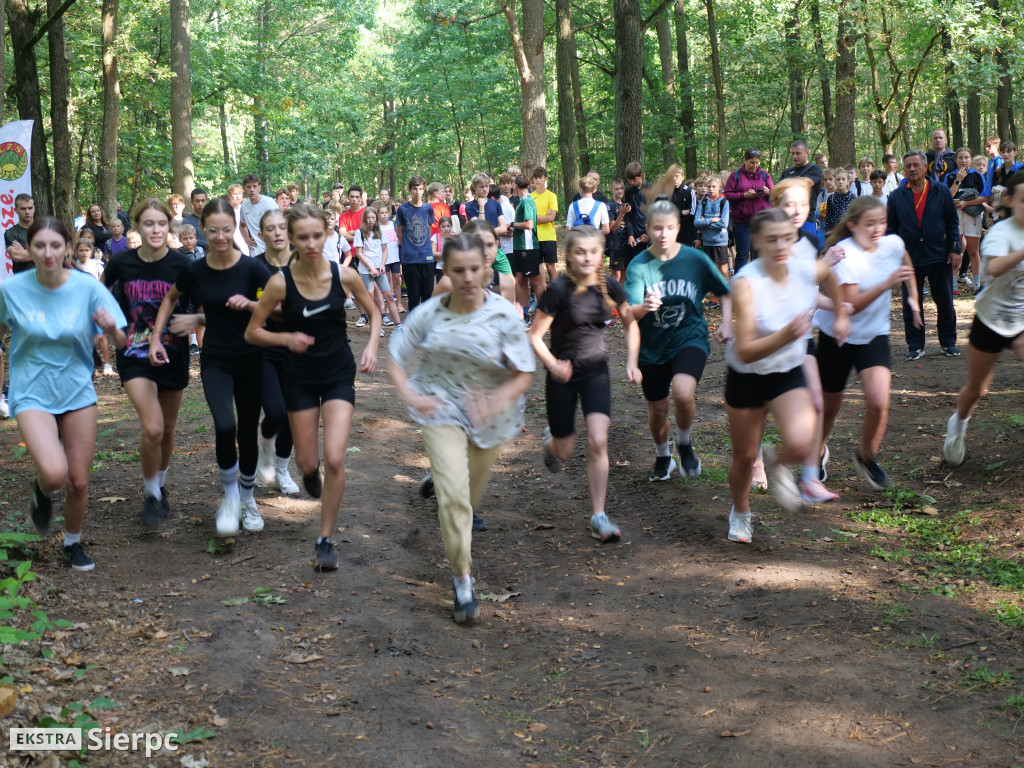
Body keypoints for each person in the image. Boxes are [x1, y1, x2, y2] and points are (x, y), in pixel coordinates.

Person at [388, 232, 534, 624]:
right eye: (458, 271)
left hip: (491, 417)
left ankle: (444, 479)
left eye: (475, 269)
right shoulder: (430, 313)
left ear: (487, 268)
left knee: (468, 498)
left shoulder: (504, 315)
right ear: (447, 272)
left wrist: (495, 401)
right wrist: (412, 396)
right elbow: (397, 358)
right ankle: (463, 579)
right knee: (454, 500)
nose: (468, 278)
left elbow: (523, 374)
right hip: (440, 408)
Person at [246, 204, 380, 570]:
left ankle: (325, 539)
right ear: (290, 238)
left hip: (338, 373)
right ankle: (307, 471)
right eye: (302, 237)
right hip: (299, 378)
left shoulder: (346, 276)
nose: (310, 243)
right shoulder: (279, 282)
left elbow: (375, 312)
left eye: (317, 235)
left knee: (335, 457)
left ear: (328, 234)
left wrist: (371, 345)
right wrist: (287, 338)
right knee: (309, 463)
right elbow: (252, 330)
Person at [0, 217, 127, 570]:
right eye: (39, 245)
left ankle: (72, 543)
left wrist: (110, 329)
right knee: (55, 474)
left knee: (78, 480)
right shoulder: (12, 290)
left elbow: (120, 341)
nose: (48, 253)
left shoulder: (88, 288)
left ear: (68, 248)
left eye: (55, 245)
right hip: (32, 390)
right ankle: (42, 489)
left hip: (76, 389)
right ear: (28, 249)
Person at [149, 197, 273, 536]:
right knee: (224, 426)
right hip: (216, 358)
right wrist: (157, 335)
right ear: (202, 229)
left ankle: (247, 499)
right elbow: (171, 297)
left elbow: (277, 305)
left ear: (236, 229)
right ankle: (230, 497)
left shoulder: (252, 269)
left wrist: (253, 303)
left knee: (248, 429)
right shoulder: (196, 268)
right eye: (214, 230)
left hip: (252, 357)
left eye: (227, 230)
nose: (220, 237)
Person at [724, 208, 849, 542]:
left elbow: (828, 273)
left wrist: (840, 314)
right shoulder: (746, 283)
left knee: (803, 440)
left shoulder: (802, 269)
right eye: (771, 239)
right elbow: (746, 348)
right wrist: (787, 335)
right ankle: (741, 511)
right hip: (747, 374)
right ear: (757, 242)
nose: (781, 245)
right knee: (744, 457)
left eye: (787, 238)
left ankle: (778, 463)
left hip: (786, 371)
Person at [529, 225, 640, 542]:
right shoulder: (558, 290)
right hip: (562, 375)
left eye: (593, 251)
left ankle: (599, 516)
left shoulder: (609, 287)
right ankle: (551, 444)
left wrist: (632, 362)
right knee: (563, 451)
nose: (587, 257)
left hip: (596, 372)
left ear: (601, 253)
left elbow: (631, 325)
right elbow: (535, 336)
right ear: (569, 255)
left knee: (597, 440)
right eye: (580, 252)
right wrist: (552, 364)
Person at [816, 196, 921, 492]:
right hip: (837, 335)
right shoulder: (845, 254)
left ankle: (866, 456)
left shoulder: (892, 244)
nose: (877, 229)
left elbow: (905, 261)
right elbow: (852, 305)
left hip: (874, 335)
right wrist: (887, 283)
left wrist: (912, 296)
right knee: (829, 405)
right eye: (869, 224)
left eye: (882, 222)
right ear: (852, 225)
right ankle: (818, 451)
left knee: (878, 401)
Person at [625, 199, 732, 482]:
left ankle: (684, 443)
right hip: (652, 346)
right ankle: (663, 456)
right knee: (658, 408)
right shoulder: (638, 266)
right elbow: (629, 313)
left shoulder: (694, 259)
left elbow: (725, 290)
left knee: (684, 394)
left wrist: (726, 321)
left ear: (678, 228)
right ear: (647, 229)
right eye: (657, 228)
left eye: (669, 228)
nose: (663, 234)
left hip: (690, 336)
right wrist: (643, 306)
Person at [101, 198, 193, 526]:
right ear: (136, 227)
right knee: (152, 427)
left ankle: (161, 486)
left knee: (167, 430)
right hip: (133, 354)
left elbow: (203, 306)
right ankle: (151, 493)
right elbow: (99, 297)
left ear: (170, 226)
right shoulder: (121, 263)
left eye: (161, 223)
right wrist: (110, 327)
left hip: (173, 353)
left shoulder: (183, 265)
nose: (155, 229)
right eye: (148, 223)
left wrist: (193, 321)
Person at [943, 169, 1024, 467]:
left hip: (1021, 321)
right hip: (990, 321)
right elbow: (993, 268)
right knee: (977, 389)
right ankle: (958, 426)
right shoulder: (1003, 232)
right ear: (1012, 201)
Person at [887, 150, 962, 360]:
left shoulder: (941, 191)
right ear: (903, 170)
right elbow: (890, 230)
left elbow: (952, 222)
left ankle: (948, 342)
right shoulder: (896, 197)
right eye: (908, 166)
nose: (912, 169)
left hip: (939, 255)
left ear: (925, 166)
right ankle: (915, 345)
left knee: (945, 300)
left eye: (916, 165)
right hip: (909, 257)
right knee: (912, 303)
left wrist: (955, 249)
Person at [252, 209, 301, 495]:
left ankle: (282, 470)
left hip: (298, 349)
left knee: (295, 414)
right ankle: (266, 445)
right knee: (276, 411)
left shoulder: (304, 263)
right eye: (270, 229)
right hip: (264, 349)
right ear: (261, 235)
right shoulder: (253, 268)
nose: (278, 233)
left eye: (282, 227)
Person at [944, 147, 989, 291]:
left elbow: (984, 196)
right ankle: (953, 284)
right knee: (955, 249)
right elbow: (947, 197)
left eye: (966, 157)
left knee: (973, 250)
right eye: (960, 158)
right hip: (955, 216)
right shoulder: (950, 176)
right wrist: (958, 180)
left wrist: (967, 203)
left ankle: (977, 284)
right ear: (956, 160)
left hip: (973, 214)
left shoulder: (977, 175)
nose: (963, 161)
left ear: (970, 159)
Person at [724, 149, 773, 273]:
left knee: (760, 254)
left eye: (757, 162)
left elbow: (774, 195)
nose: (755, 165)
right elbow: (728, 195)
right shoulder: (735, 175)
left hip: (761, 222)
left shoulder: (764, 175)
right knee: (743, 254)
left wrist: (768, 192)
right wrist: (744, 195)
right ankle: (738, 283)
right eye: (752, 162)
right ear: (745, 160)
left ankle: (759, 283)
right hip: (742, 222)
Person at [354, 206, 402, 331]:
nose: (370, 220)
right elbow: (359, 253)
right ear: (365, 219)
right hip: (366, 270)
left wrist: (382, 265)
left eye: (373, 217)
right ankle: (375, 327)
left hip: (379, 268)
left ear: (376, 218)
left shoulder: (380, 231)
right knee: (370, 298)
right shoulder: (360, 232)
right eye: (368, 217)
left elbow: (384, 250)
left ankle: (399, 325)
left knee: (389, 296)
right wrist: (371, 268)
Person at [395, 174, 437, 311]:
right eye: (414, 189)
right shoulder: (403, 209)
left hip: (427, 258)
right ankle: (413, 329)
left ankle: (426, 328)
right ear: (410, 189)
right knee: (413, 297)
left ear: (424, 189)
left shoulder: (428, 208)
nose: (417, 192)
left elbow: (429, 229)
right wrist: (409, 246)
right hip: (410, 259)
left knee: (427, 296)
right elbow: (399, 233)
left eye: (420, 189)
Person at [511, 174, 544, 322]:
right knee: (520, 279)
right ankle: (524, 315)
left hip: (528, 247)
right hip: (519, 246)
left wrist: (512, 225)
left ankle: (547, 314)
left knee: (535, 281)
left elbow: (529, 225)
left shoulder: (527, 202)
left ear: (516, 187)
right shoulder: (522, 201)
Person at [693, 176, 730, 280]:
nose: (711, 189)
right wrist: (711, 220)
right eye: (709, 186)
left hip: (720, 241)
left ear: (720, 187)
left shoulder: (724, 202)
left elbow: (723, 224)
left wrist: (704, 222)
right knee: (712, 269)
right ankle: (714, 295)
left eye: (714, 186)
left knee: (723, 270)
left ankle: (727, 294)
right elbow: (696, 222)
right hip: (707, 241)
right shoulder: (703, 202)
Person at [238, 174, 279, 257]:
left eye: (254, 186)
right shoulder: (244, 206)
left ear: (259, 188)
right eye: (248, 187)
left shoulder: (269, 203)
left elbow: (281, 226)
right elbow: (242, 225)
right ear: (244, 189)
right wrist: (247, 239)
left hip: (272, 252)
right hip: (255, 253)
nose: (252, 190)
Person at [531, 167, 560, 283]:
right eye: (536, 178)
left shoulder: (552, 196)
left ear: (545, 179)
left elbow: (551, 218)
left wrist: (535, 217)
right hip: (534, 237)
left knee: (550, 268)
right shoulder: (530, 197)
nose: (538, 180)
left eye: (540, 177)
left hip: (549, 236)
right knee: (537, 268)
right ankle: (541, 296)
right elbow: (528, 219)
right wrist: (544, 217)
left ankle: (556, 295)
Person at [377, 203, 405, 315]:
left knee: (396, 280)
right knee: (387, 281)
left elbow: (399, 235)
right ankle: (389, 304)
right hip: (384, 258)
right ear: (378, 215)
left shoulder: (393, 224)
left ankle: (399, 303)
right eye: (381, 213)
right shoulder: (377, 227)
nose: (384, 215)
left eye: (385, 213)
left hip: (395, 256)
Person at [623, 162, 652, 265]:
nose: (631, 182)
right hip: (636, 237)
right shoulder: (629, 193)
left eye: (634, 179)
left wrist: (649, 234)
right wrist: (630, 235)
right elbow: (628, 216)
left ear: (641, 176)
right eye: (629, 179)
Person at [780, 139, 824, 204]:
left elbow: (803, 184)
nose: (794, 156)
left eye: (798, 153)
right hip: (787, 210)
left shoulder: (815, 169)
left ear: (807, 153)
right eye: (792, 153)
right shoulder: (787, 172)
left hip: (807, 211)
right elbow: (778, 190)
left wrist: (786, 185)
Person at [606, 178, 632, 284]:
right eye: (617, 189)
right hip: (615, 245)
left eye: (621, 188)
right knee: (616, 275)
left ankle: (621, 298)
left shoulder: (626, 204)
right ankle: (614, 298)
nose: (620, 191)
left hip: (626, 244)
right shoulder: (610, 205)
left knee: (624, 273)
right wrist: (621, 214)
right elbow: (612, 227)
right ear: (612, 190)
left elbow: (630, 222)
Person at [5, 193, 36, 274]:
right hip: (21, 282)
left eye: (30, 208)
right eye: (23, 209)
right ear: (15, 210)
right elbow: (16, 256)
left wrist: (25, 252)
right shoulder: (11, 233)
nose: (27, 212)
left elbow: (57, 253)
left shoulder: (44, 230)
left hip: (44, 281)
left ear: (34, 209)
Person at [824, 167, 858, 233]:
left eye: (843, 179)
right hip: (834, 230)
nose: (840, 182)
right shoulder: (831, 198)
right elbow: (828, 217)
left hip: (847, 231)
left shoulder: (851, 197)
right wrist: (828, 232)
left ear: (848, 182)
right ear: (835, 181)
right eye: (838, 179)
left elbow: (855, 215)